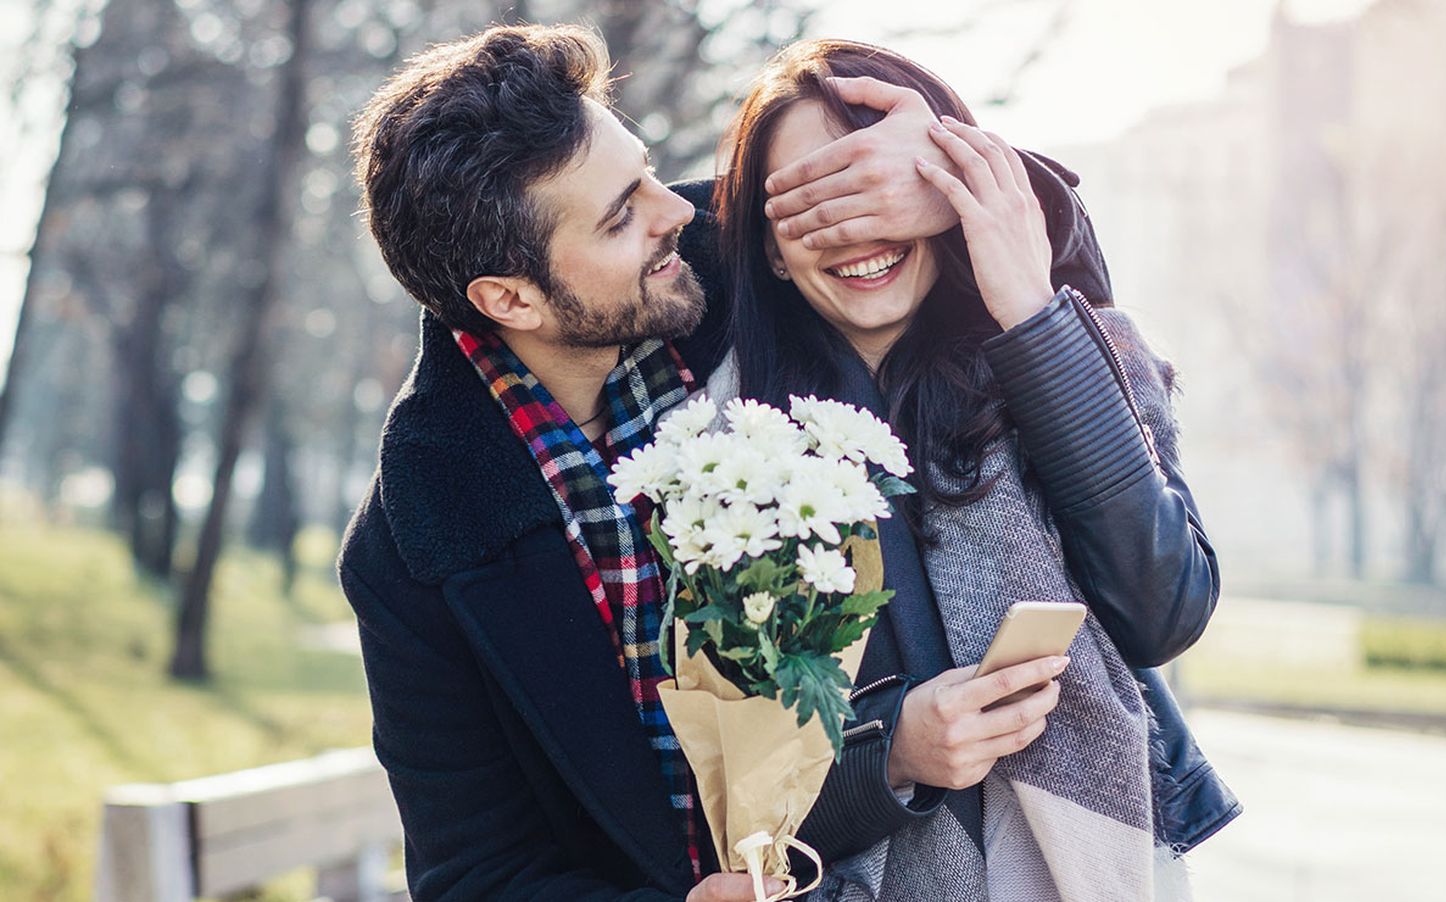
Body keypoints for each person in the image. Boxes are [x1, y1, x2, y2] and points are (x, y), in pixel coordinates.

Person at [339, 23, 1101, 901]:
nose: (677, 212)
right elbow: (472, 875)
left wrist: (940, 170)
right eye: (622, 216)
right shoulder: (417, 544)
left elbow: (1039, 243)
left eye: (647, 172)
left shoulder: (746, 265)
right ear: (510, 298)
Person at [696, 40, 1242, 900]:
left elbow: (1163, 608)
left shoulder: (1073, 356)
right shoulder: (719, 457)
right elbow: (732, 802)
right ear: (765, 246)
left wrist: (1028, 309)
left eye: (883, 188)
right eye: (814, 200)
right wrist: (896, 754)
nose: (859, 227)